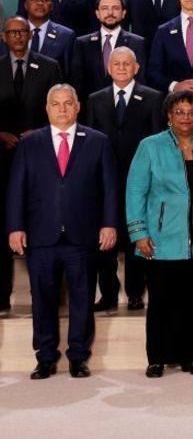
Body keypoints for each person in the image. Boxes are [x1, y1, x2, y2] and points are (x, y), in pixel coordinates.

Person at [7, 84, 117, 379]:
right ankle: (45, 356)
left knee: (82, 298)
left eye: (68, 103)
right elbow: (17, 189)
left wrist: (109, 223)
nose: (63, 109)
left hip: (83, 235)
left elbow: (109, 188)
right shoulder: (31, 144)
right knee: (42, 298)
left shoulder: (97, 141)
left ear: (78, 106)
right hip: (41, 234)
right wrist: (15, 227)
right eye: (56, 104)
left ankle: (78, 356)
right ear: (47, 108)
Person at [125, 89, 193, 377]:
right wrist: (139, 233)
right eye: (179, 112)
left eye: (192, 112)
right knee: (161, 300)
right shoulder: (150, 146)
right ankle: (157, 358)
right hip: (161, 237)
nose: (186, 117)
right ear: (169, 115)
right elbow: (135, 191)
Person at [84, 47, 163, 312]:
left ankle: (135, 292)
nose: (120, 67)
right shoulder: (95, 99)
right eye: (115, 63)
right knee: (105, 238)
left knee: (135, 237)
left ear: (136, 68)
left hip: (140, 180)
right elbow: (90, 141)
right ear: (108, 68)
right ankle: (107, 293)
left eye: (126, 63)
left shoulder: (153, 98)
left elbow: (156, 140)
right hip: (104, 180)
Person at [0, 16, 64, 310]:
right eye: (12, 32)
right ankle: (2, 294)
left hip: (40, 156)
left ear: (30, 35)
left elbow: (60, 110)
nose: (17, 36)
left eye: (22, 31)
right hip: (1, 158)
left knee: (44, 222)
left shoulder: (49, 66)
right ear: (4, 37)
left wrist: (37, 133)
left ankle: (50, 295)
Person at [69, 0, 147, 103]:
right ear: (97, 13)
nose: (110, 13)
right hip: (90, 110)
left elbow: (140, 82)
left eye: (115, 8)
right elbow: (77, 82)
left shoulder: (137, 43)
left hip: (125, 107)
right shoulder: (82, 43)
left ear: (123, 13)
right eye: (104, 8)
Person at [23, 0, 76, 72]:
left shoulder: (66, 35)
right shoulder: (11, 32)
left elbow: (69, 72)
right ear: (26, 5)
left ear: (51, 6)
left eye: (45, 0)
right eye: (34, 0)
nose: (40, 3)